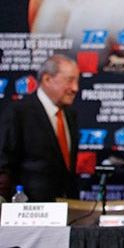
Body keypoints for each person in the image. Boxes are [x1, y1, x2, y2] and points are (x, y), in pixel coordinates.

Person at [0, 54, 80, 202]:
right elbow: (4, 164)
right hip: (29, 211)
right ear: (47, 79)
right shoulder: (18, 112)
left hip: (67, 209)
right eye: (69, 80)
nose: (75, 88)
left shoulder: (70, 114)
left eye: (77, 81)